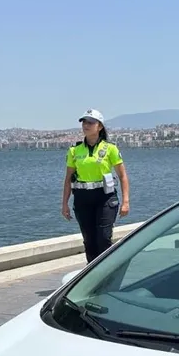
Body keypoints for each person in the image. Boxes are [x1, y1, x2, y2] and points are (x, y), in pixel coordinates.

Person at [62, 109, 130, 263]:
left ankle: (107, 272)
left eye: (90, 122)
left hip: (105, 197)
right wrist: (64, 203)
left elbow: (122, 176)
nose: (86, 125)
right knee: (89, 241)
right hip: (82, 198)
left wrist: (126, 201)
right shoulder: (74, 151)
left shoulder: (110, 149)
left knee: (104, 238)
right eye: (84, 122)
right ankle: (92, 275)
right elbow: (68, 179)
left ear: (99, 127)